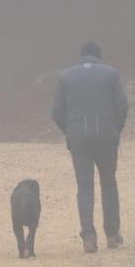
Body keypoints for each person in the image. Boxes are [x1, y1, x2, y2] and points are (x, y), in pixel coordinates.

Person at [51, 41, 128, 253]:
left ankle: (89, 237)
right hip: (106, 137)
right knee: (109, 184)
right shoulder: (111, 74)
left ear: (81, 56)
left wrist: (70, 131)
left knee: (85, 188)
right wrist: (115, 129)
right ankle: (112, 235)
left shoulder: (66, 77)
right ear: (98, 57)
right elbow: (122, 106)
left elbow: (57, 112)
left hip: (79, 140)